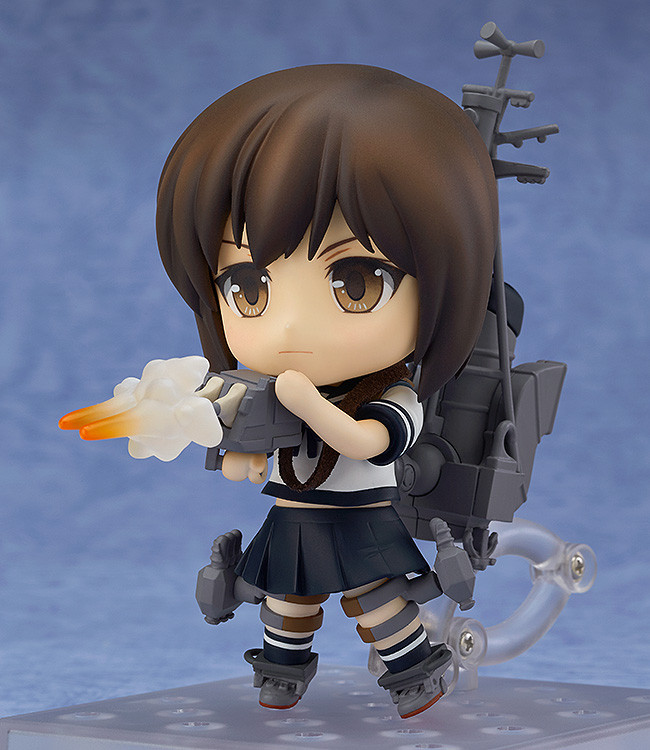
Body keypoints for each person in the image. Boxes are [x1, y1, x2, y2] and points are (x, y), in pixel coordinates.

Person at [65, 64, 499, 718]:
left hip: (359, 515)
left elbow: (369, 444)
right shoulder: (270, 388)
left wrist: (308, 403)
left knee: (378, 599)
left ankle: (415, 672)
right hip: (293, 513)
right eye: (248, 287)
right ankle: (281, 672)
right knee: (284, 601)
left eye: (357, 283)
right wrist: (236, 447)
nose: (291, 329)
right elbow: (251, 438)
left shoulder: (392, 393)